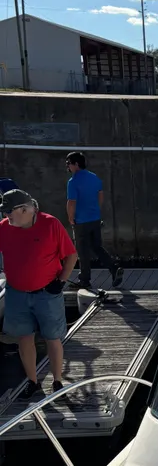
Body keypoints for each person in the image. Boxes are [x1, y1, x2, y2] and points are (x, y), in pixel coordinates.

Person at [0, 189, 78, 400]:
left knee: (52, 337)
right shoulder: (3, 228)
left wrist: (61, 282)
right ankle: (33, 382)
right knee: (24, 338)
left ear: (24, 210)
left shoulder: (51, 224)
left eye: (9, 211)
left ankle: (57, 381)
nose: (6, 216)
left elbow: (71, 255)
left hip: (47, 293)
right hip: (16, 294)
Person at [65, 151, 123, 290]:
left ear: (76, 164)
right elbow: (100, 196)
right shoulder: (94, 177)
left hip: (81, 221)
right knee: (97, 246)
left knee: (83, 251)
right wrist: (95, 210)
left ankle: (85, 280)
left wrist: (71, 218)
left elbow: (71, 202)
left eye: (69, 164)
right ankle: (114, 268)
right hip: (95, 218)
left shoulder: (73, 181)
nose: (68, 167)